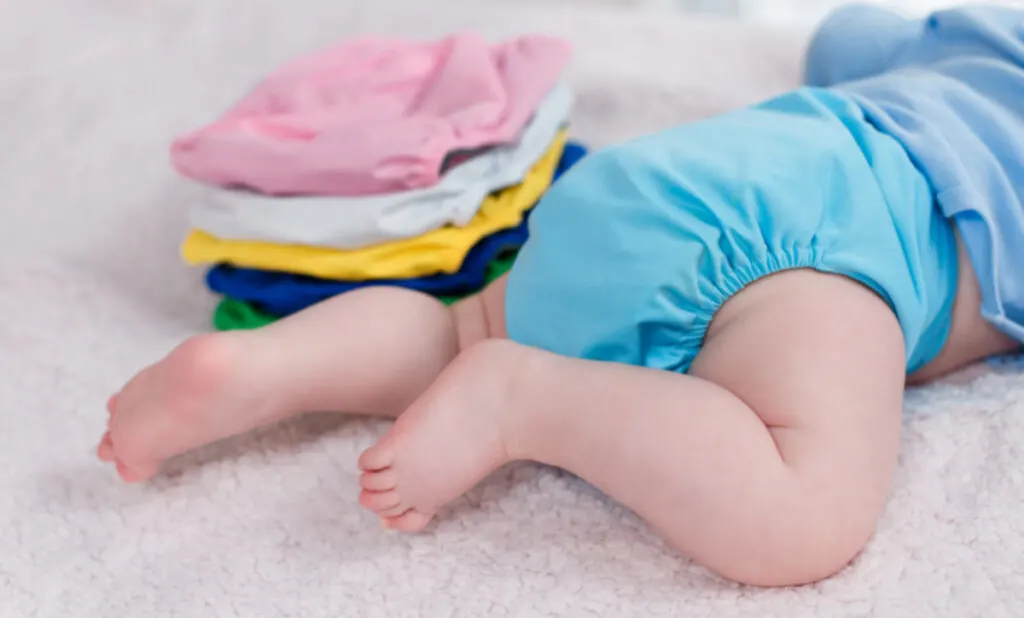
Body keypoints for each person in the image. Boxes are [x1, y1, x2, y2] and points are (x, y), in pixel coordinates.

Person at [98, 5, 1024, 587]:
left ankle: (268, 364)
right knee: (802, 516)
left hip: (676, 178)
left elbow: (847, 36)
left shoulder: (981, 38)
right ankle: (526, 400)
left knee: (460, 326)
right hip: (829, 242)